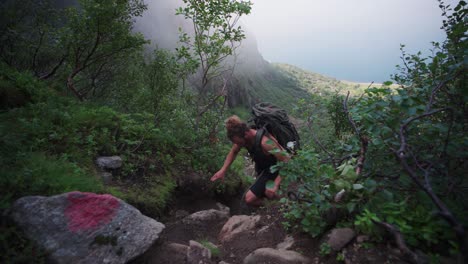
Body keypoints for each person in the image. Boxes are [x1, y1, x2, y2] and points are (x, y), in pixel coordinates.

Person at [211, 115, 290, 206]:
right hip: (265, 171)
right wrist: (223, 170)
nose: (238, 145)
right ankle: (273, 202)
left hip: (276, 169)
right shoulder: (243, 138)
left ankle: (280, 204)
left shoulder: (265, 143)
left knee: (258, 195)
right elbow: (233, 152)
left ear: (246, 134)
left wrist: (276, 184)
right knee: (254, 197)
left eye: (239, 143)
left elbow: (287, 161)